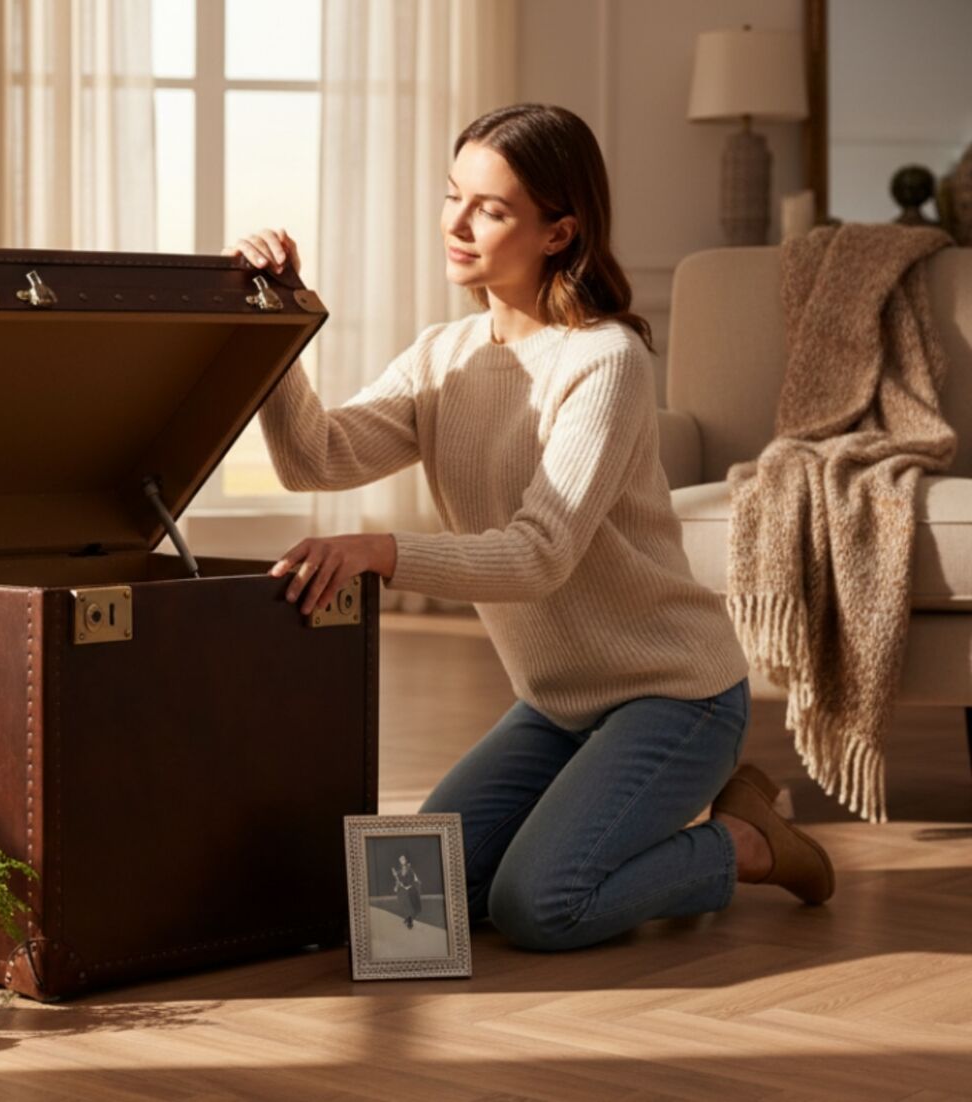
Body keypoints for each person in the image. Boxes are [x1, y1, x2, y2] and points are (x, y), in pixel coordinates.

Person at [225, 103, 835, 954]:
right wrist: (276, 316)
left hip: (674, 697)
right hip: (554, 705)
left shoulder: (604, 361)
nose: (459, 224)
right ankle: (596, 830)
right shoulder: (445, 355)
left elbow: (538, 554)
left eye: (493, 208)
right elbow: (315, 458)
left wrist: (382, 552)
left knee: (539, 906)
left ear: (559, 232)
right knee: (413, 904)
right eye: (453, 196)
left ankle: (747, 842)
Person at [392, 854, 422, 929]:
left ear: (406, 860)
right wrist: (396, 886)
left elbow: (414, 879)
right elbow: (398, 881)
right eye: (401, 860)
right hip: (404, 891)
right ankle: (408, 920)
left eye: (403, 859)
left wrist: (411, 884)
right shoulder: (399, 871)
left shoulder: (410, 870)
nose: (402, 861)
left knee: (414, 907)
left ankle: (409, 920)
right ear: (400, 862)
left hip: (411, 889)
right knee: (406, 905)